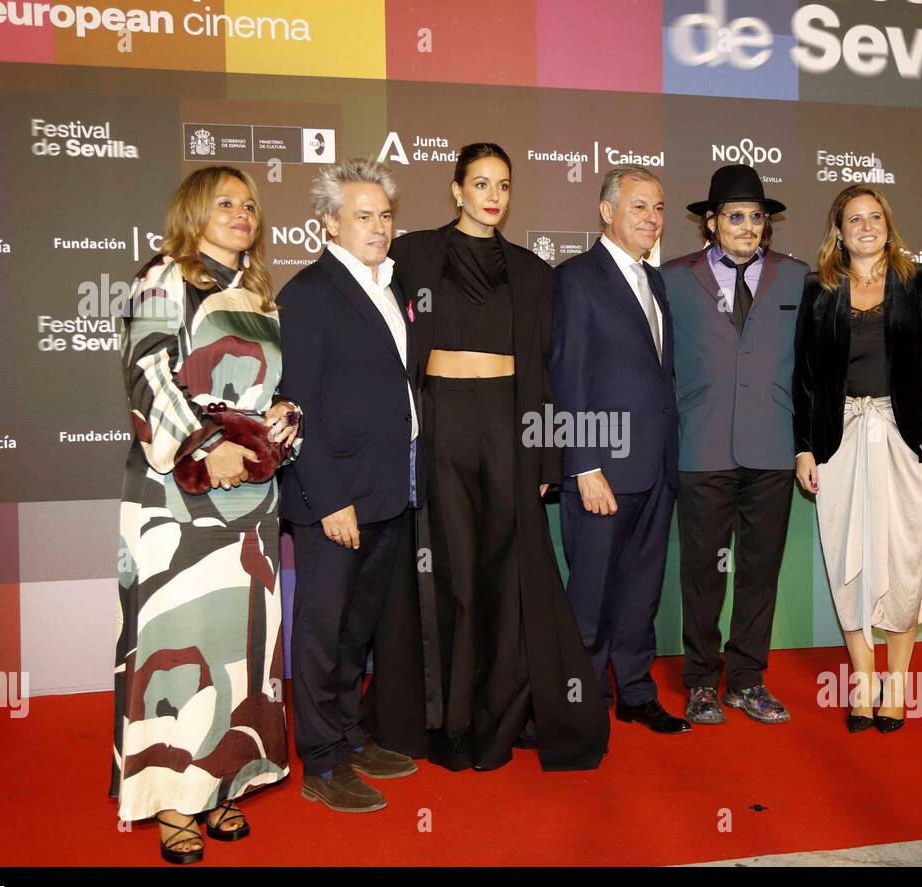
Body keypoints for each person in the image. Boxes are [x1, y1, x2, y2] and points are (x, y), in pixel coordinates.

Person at [390, 143, 609, 771]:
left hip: (510, 430)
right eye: (480, 183)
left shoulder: (531, 272)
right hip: (441, 428)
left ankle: (501, 710)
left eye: (504, 185)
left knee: (506, 575)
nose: (493, 195)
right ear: (456, 189)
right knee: (451, 572)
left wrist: (546, 460)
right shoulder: (414, 254)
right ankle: (447, 717)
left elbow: (542, 373)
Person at [112, 165, 301, 864]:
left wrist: (286, 418)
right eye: (225, 202)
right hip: (177, 501)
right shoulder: (163, 279)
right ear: (193, 211)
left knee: (237, 649)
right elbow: (148, 371)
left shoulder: (258, 295)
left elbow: (273, 391)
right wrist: (205, 444)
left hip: (251, 505)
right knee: (176, 646)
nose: (241, 213)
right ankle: (170, 802)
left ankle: (221, 783)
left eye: (250, 204)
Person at [793, 185, 922, 734]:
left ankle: (896, 688)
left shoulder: (920, 283)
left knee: (902, 559)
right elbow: (802, 377)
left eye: (875, 216)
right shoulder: (819, 289)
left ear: (887, 225)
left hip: (905, 439)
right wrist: (803, 446)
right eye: (855, 219)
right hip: (838, 441)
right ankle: (862, 684)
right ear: (839, 232)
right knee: (846, 558)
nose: (866, 226)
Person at [277, 157, 424, 812]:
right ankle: (321, 759)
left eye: (385, 214)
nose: (378, 226)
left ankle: (347, 733)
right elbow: (295, 404)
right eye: (362, 215)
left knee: (356, 629)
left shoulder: (386, 287)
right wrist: (329, 497)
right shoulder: (308, 294)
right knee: (321, 629)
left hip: (387, 489)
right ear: (329, 222)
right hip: (333, 497)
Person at [661, 164, 809, 726]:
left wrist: (806, 443)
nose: (748, 227)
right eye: (736, 216)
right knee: (702, 570)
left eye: (757, 217)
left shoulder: (798, 279)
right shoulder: (673, 278)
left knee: (759, 569)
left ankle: (747, 680)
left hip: (772, 445)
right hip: (700, 446)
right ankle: (700, 681)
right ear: (711, 222)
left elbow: (811, 369)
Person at [551, 165, 689, 735]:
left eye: (658, 208)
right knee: (589, 596)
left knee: (640, 592)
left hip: (655, 468)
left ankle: (634, 691)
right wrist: (584, 465)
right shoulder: (576, 279)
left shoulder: (654, 282)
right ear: (607, 212)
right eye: (638, 207)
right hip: (601, 471)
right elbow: (567, 378)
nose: (652, 219)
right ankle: (579, 706)